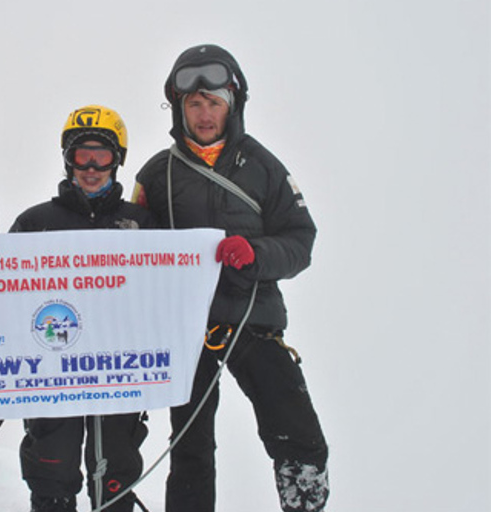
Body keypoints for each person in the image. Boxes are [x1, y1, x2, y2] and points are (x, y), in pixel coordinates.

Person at [132, 44, 329, 512]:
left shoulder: (263, 167)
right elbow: (135, 250)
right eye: (194, 104)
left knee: (298, 434)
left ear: (232, 104)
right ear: (179, 108)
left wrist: (255, 253)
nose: (203, 114)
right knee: (191, 448)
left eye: (213, 103)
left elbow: (301, 240)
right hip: (187, 330)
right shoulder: (157, 174)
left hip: (252, 320)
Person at [11, 105, 155, 512]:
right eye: (81, 155)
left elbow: (167, 292)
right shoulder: (35, 222)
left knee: (116, 471)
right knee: (51, 469)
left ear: (118, 160)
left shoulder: (143, 224)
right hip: (52, 372)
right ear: (67, 159)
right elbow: (1, 297)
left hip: (121, 369)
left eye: (102, 156)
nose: (91, 167)